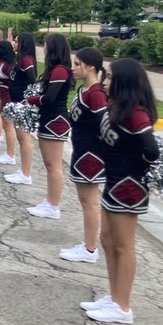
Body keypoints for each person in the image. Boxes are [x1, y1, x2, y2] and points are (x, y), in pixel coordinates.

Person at [85, 58, 160, 324]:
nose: (105, 79)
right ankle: (114, 295)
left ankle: (122, 305)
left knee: (124, 245)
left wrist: (136, 170)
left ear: (124, 80)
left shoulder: (136, 113)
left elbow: (151, 150)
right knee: (107, 239)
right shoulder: (118, 107)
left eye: (110, 76)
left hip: (128, 188)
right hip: (113, 182)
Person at [62, 48, 108, 263]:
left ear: (91, 67)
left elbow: (104, 126)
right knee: (84, 200)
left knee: (90, 202)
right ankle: (87, 243)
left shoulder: (97, 94)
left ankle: (90, 249)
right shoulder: (84, 89)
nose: (73, 67)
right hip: (80, 151)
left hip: (91, 155)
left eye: (77, 64)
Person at [27, 32, 73, 219]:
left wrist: (31, 100)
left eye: (46, 44)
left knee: (54, 165)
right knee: (49, 164)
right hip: (49, 119)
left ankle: (53, 206)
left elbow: (50, 98)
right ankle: (49, 200)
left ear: (53, 48)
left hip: (56, 121)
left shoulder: (60, 70)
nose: (44, 48)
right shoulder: (55, 70)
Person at [3, 32, 37, 184]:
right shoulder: (20, 59)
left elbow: (33, 79)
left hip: (22, 104)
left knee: (24, 140)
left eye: (17, 41)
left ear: (24, 43)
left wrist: (27, 99)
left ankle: (26, 174)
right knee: (21, 138)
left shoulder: (27, 60)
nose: (14, 43)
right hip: (16, 102)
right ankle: (23, 171)